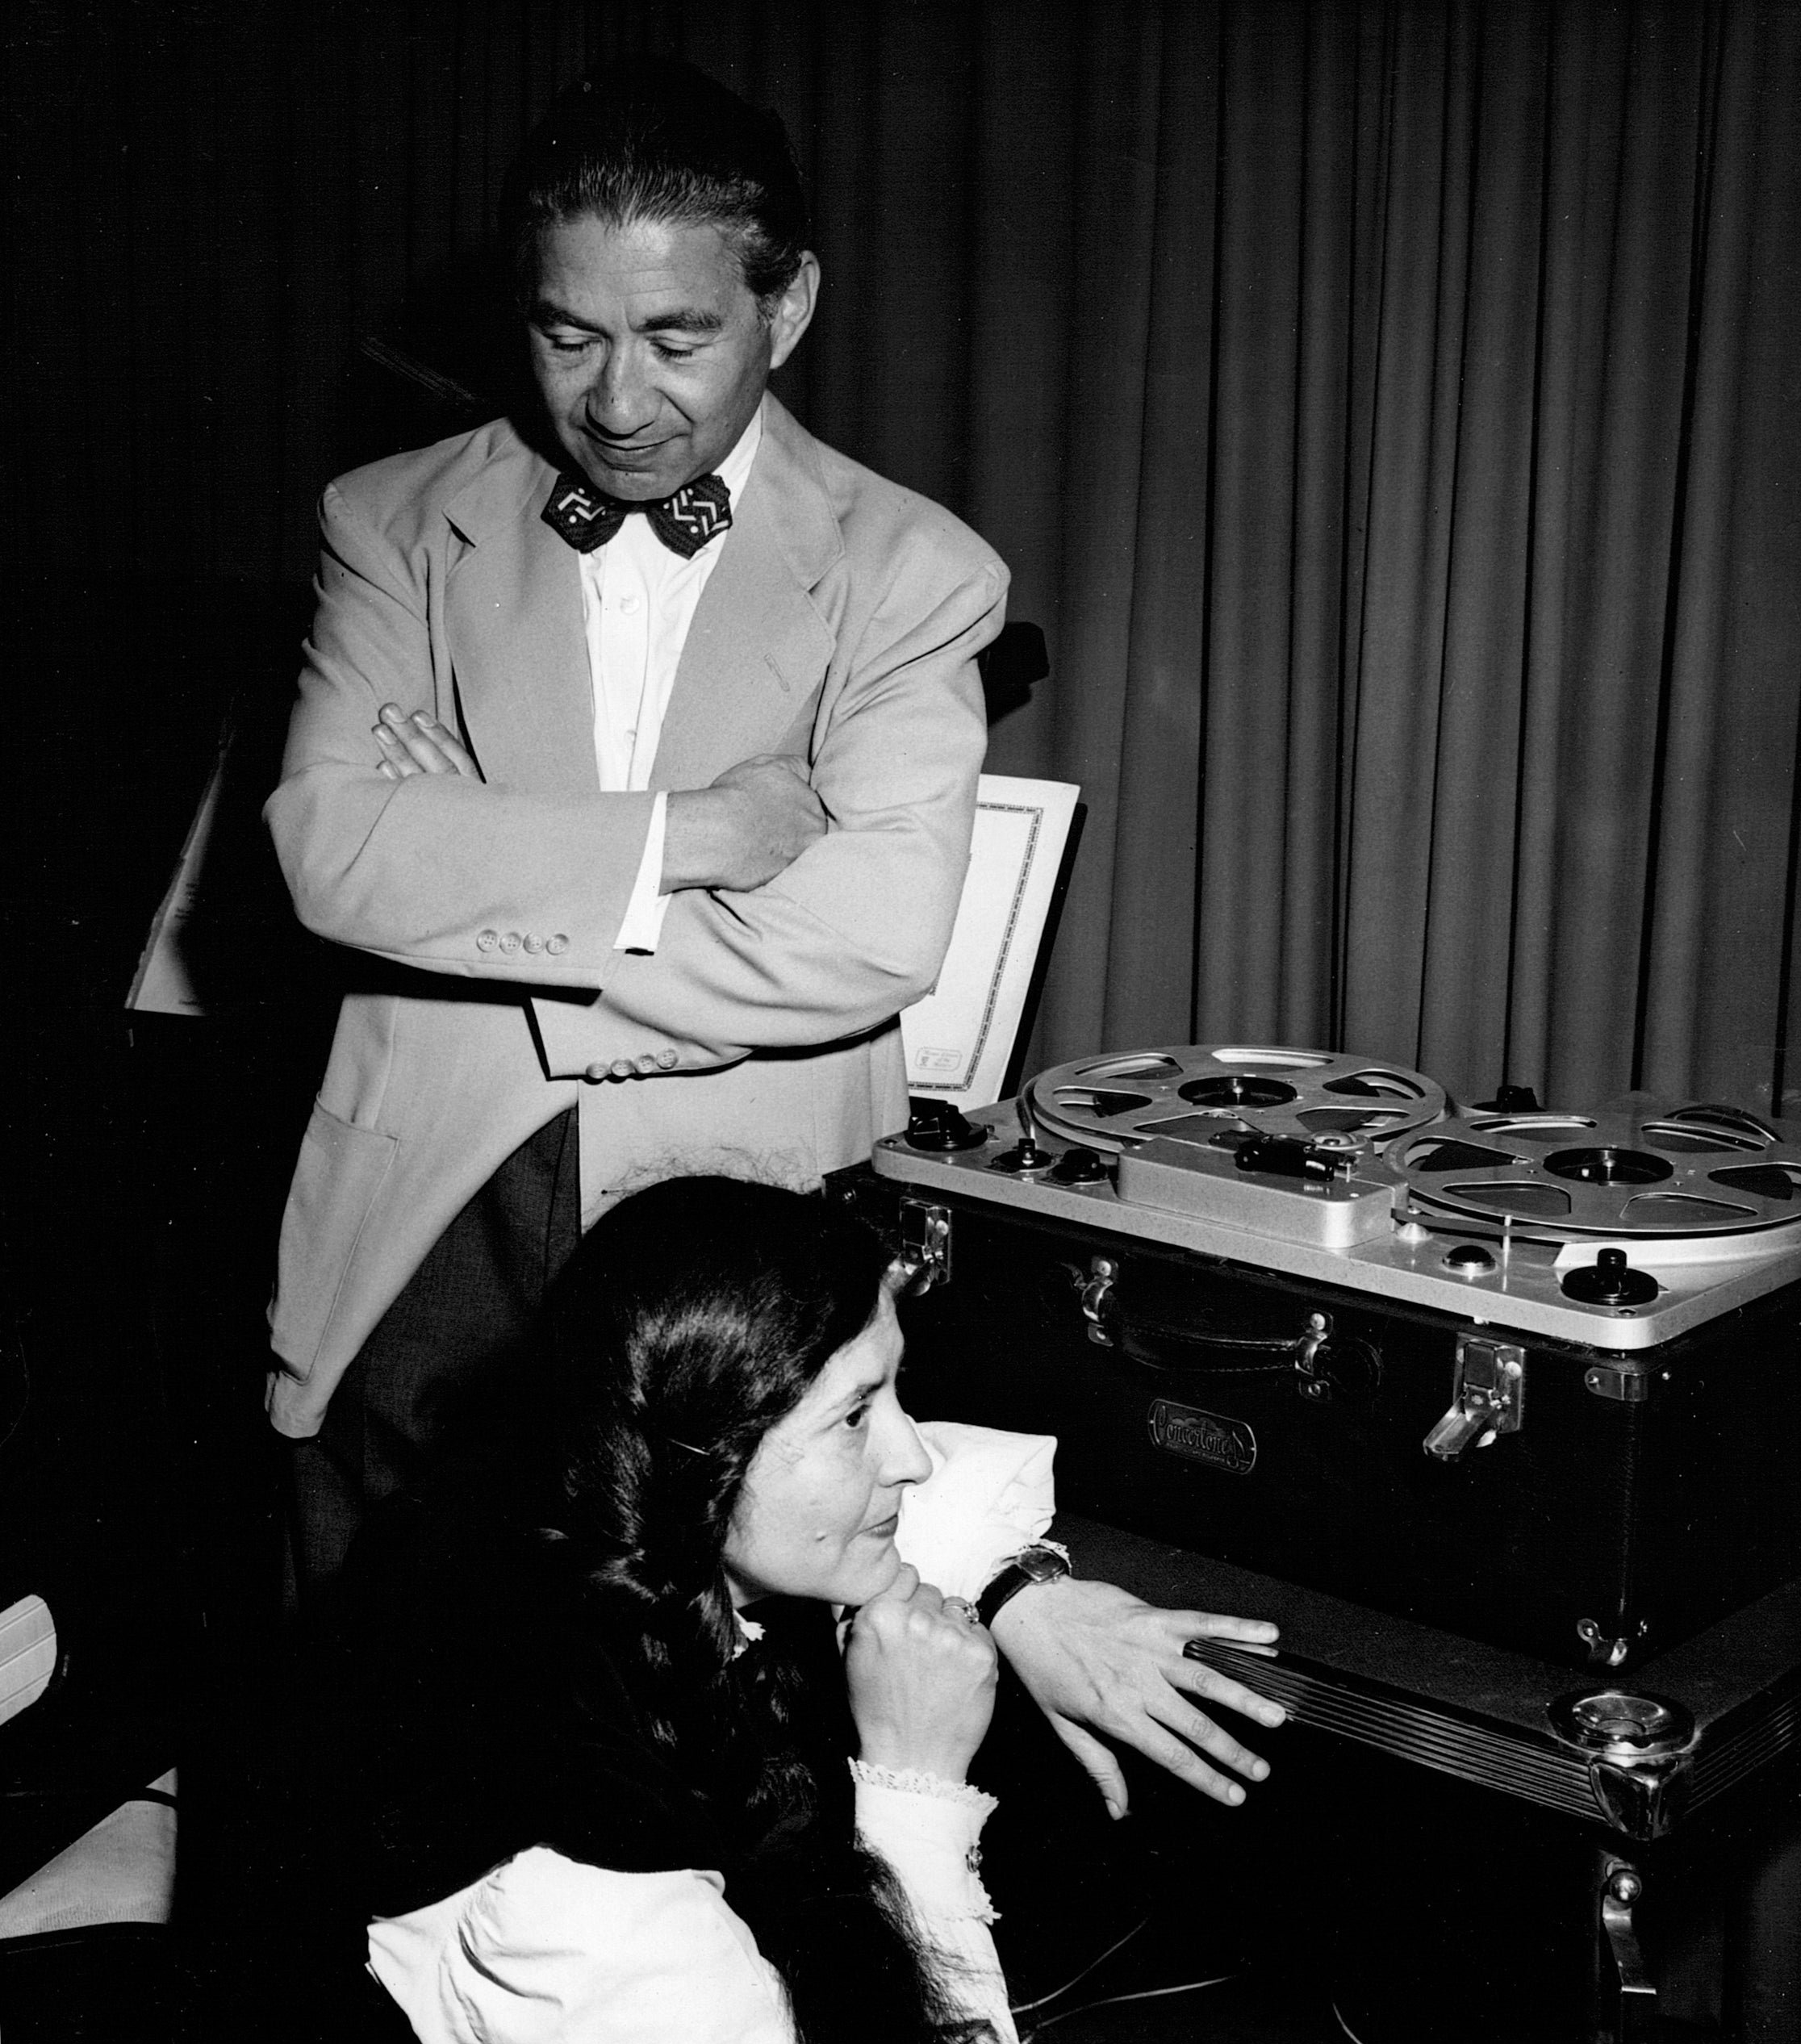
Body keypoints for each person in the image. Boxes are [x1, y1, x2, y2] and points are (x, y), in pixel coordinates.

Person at [265, 52, 1283, 1816]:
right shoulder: (391, 522)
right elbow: (326, 857)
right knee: (373, 1771)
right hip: (423, 1218)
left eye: (677, 337)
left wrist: (486, 879)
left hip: (744, 1223)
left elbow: (871, 937)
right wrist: (689, 841)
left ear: (786, 304)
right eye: (568, 335)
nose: (616, 399)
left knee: (720, 1795)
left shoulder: (914, 571)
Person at [97, 1180, 1172, 2044]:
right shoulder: (553, 1878)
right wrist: (917, 1786)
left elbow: (897, 1481)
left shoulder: (576, 1483)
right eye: (858, 1415)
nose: (913, 1455)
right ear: (707, 1450)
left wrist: (1022, 1596)